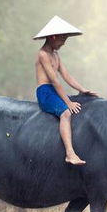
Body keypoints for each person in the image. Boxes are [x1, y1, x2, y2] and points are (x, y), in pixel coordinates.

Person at [34, 15, 97, 165]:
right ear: (53, 37)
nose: (63, 44)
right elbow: (55, 80)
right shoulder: (43, 54)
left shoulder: (56, 55)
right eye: (62, 39)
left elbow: (66, 76)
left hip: (54, 91)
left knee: (83, 102)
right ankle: (70, 153)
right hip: (45, 92)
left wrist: (82, 89)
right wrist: (68, 102)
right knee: (66, 113)